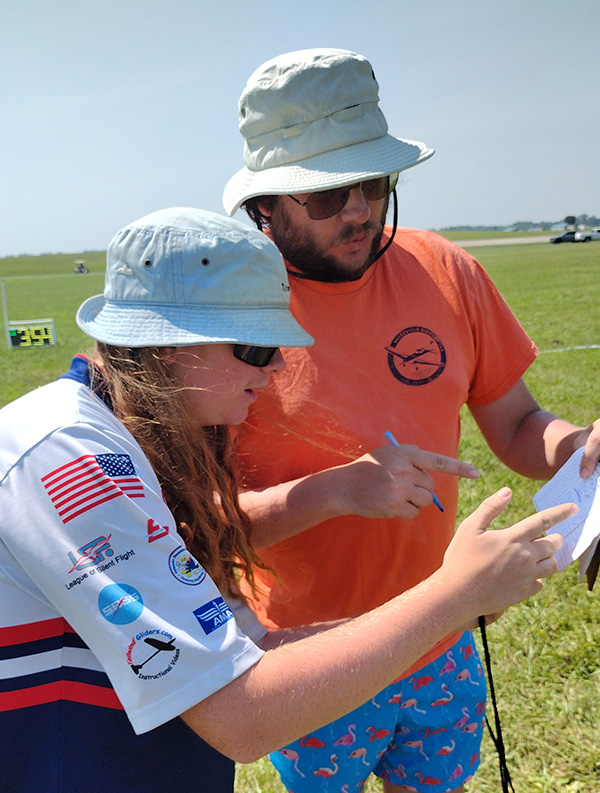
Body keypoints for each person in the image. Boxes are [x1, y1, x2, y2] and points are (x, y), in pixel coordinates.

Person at [0, 206, 571, 792]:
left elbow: (245, 653)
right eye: (254, 346)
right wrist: (452, 599)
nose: (277, 364)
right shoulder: (73, 459)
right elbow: (241, 715)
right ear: (168, 345)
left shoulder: (132, 441)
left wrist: (445, 609)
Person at [222, 48, 600, 792]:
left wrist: (582, 446)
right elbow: (194, 525)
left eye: (374, 182)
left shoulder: (446, 270)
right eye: (328, 195)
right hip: (313, 653)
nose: (359, 209)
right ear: (266, 205)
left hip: (443, 631)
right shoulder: (226, 319)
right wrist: (335, 490)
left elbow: (519, 423)